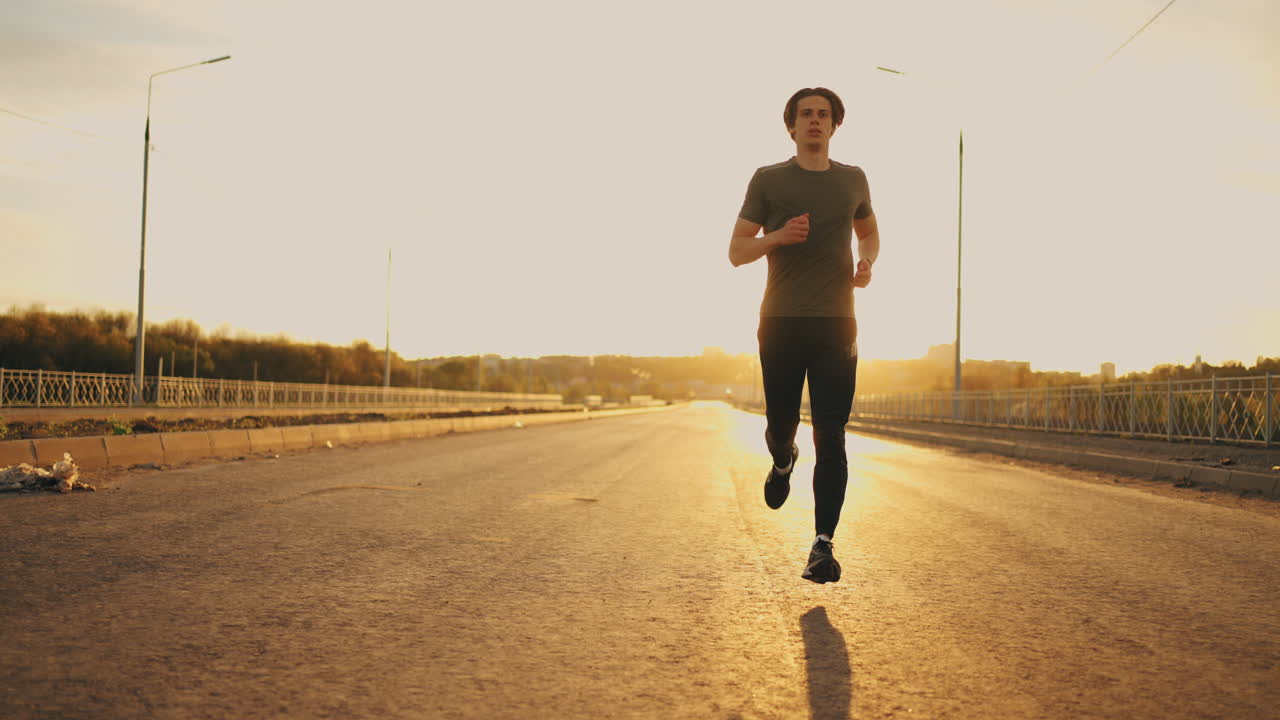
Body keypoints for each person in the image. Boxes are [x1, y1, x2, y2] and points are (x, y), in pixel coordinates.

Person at [728, 87, 880, 584]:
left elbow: (870, 232)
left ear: (835, 125)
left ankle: (822, 545)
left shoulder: (853, 179)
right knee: (782, 425)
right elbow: (736, 250)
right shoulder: (769, 180)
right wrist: (777, 237)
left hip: (839, 322)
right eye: (805, 114)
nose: (815, 121)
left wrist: (867, 262)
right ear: (791, 126)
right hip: (782, 321)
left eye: (824, 114)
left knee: (831, 434)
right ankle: (781, 460)